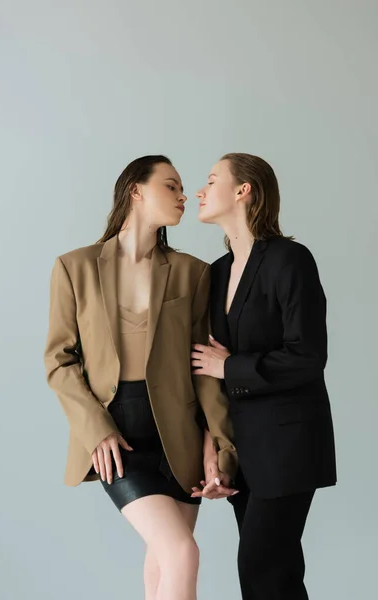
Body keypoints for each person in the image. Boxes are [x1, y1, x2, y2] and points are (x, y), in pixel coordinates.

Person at [44, 155, 238, 600]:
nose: (183, 195)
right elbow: (59, 361)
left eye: (183, 188)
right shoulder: (75, 267)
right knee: (182, 554)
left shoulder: (193, 272)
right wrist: (97, 431)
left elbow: (202, 368)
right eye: (171, 186)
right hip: (118, 436)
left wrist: (218, 445)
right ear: (136, 190)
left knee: (162, 569)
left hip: (181, 438)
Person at [191, 153, 337, 600]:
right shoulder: (214, 273)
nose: (199, 190)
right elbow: (209, 374)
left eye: (211, 180)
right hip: (245, 450)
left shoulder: (290, 259)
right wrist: (213, 447)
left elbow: (308, 355)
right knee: (273, 575)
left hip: (290, 445)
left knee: (263, 567)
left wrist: (228, 365)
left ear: (243, 190)